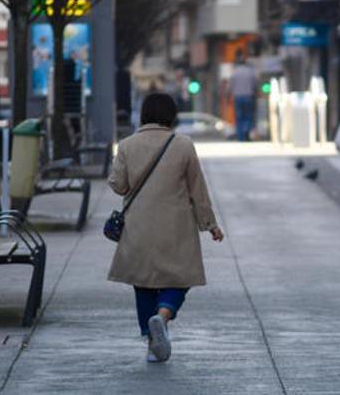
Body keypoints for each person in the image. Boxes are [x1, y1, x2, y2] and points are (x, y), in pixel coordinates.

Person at [107, 92, 224, 363]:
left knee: (144, 283)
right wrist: (210, 224)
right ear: (172, 116)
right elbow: (198, 188)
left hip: (139, 226)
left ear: (144, 114)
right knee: (180, 278)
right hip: (176, 226)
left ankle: (152, 343)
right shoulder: (183, 145)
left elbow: (119, 185)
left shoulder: (127, 145)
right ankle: (163, 316)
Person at [228, 51, 257, 141]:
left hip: (238, 97)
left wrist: (228, 97)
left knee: (239, 117)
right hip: (249, 96)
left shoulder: (234, 72)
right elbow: (255, 84)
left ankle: (241, 137)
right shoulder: (250, 72)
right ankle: (247, 132)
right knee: (248, 116)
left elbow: (230, 86)